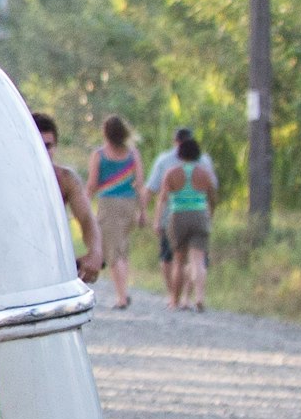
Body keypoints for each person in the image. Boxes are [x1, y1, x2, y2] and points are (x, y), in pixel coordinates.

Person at [148, 126, 222, 311]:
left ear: (179, 153)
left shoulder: (172, 173)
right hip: (199, 215)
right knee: (198, 260)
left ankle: (174, 299)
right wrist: (209, 214)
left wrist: (157, 221)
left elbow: (162, 199)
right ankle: (199, 296)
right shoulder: (204, 173)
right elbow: (213, 197)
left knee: (179, 261)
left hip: (178, 216)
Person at [35, 112, 101, 288]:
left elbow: (86, 219)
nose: (43, 152)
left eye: (48, 146)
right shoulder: (8, 179)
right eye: (37, 145)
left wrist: (95, 252)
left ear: (55, 146)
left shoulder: (65, 179)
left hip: (53, 258)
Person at [85, 116, 143, 309]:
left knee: (113, 252)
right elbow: (139, 184)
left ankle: (122, 296)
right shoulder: (133, 154)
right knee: (122, 249)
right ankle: (123, 292)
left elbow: (93, 184)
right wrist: (142, 211)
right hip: (129, 203)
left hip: (108, 204)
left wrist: (83, 203)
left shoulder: (100, 155)